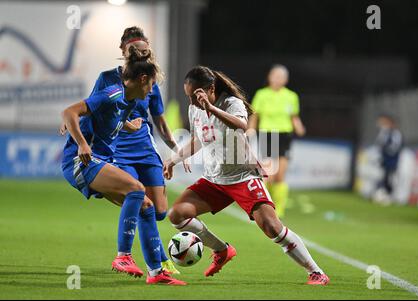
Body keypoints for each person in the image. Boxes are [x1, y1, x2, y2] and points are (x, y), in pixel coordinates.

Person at [163, 66, 329, 285]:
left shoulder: (232, 103)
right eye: (188, 97)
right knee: (177, 214)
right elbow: (197, 140)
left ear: (211, 88)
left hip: (242, 176)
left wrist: (211, 108)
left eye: (195, 95)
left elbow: (240, 125)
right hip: (214, 180)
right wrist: (174, 159)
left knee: (272, 227)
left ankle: (316, 272)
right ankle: (222, 250)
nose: (192, 102)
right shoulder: (195, 109)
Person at [61, 45, 186, 285]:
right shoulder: (113, 94)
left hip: (100, 161)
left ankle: (156, 273)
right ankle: (123, 256)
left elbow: (108, 118)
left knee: (146, 206)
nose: (152, 90)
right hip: (81, 161)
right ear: (142, 79)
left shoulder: (127, 101)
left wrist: (126, 125)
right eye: (151, 84)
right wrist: (81, 143)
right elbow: (69, 112)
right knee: (137, 189)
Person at [248, 64, 305, 218]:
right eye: (275, 76)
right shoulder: (262, 94)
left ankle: (278, 209)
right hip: (268, 134)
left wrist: (299, 127)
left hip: (285, 135)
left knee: (280, 175)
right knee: (269, 174)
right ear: (269, 77)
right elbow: (255, 115)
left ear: (286, 80)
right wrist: (251, 128)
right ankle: (264, 207)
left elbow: (294, 116)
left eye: (281, 77)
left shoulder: (291, 96)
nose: (277, 79)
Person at [372, 114, 403, 205]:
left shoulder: (396, 134)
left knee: (391, 178)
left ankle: (391, 195)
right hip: (384, 159)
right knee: (383, 176)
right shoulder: (384, 133)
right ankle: (382, 194)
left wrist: (385, 150)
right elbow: (379, 144)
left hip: (392, 160)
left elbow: (394, 147)